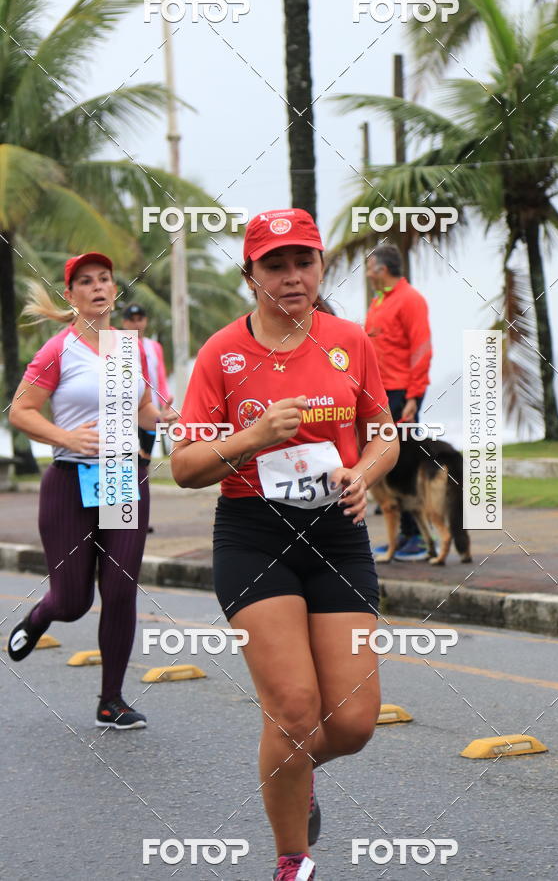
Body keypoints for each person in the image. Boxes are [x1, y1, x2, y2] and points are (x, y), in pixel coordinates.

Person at [171, 208, 399, 881]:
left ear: (321, 267)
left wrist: (363, 472)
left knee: (355, 723)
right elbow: (185, 466)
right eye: (275, 265)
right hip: (254, 534)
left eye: (304, 262)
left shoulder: (351, 342)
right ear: (251, 276)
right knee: (295, 708)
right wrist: (252, 437)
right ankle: (292, 861)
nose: (292, 277)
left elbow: (385, 433)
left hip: (339, 533)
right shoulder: (221, 354)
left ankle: (294, 769)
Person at [7, 253, 177, 729]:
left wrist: (162, 417)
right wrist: (65, 437)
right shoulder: (57, 350)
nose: (99, 287)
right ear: (72, 295)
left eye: (105, 278)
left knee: (120, 589)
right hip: (68, 482)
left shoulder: (130, 349)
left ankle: (112, 700)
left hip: (123, 477)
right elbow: (21, 412)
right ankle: (41, 616)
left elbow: (142, 408)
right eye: (86, 281)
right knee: (73, 602)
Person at [365, 245, 433, 561]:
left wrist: (414, 397)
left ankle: (417, 537)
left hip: (401, 394)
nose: (366, 274)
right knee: (387, 465)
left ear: (382, 270)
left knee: (404, 464)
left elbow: (421, 349)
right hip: (379, 394)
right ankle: (402, 535)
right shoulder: (379, 301)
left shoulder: (411, 299)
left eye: (369, 268)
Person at [122, 303, 173, 461]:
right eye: (132, 320)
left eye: (140, 319)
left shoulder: (154, 347)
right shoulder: (117, 345)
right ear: (125, 323)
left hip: (150, 408)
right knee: (129, 454)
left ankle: (143, 483)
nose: (136, 324)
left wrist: (165, 405)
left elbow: (160, 378)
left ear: (145, 321)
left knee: (146, 456)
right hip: (128, 409)